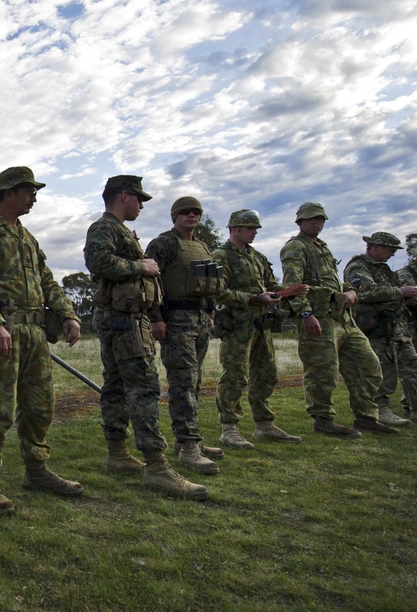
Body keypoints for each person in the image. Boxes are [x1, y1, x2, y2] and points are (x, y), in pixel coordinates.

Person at [0, 166, 83, 514]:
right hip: (4, 333)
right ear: (9, 193)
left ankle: (36, 471)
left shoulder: (28, 238)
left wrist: (68, 314)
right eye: (29, 190)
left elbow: (48, 282)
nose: (34, 197)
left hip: (35, 334)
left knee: (40, 406)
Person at [84, 175, 207, 500]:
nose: (141, 205)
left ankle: (118, 454)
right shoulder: (105, 227)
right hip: (124, 321)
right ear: (124, 196)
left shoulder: (121, 230)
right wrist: (141, 266)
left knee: (116, 387)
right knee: (145, 388)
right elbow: (96, 261)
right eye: (139, 199)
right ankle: (156, 467)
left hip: (124, 318)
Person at [280, 202, 396, 437]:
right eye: (310, 218)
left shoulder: (322, 247)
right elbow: (292, 286)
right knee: (323, 371)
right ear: (300, 221)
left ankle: (366, 417)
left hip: (343, 319)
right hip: (320, 318)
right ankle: (323, 419)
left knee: (369, 366)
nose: (316, 222)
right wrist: (306, 314)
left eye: (320, 219)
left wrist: (350, 290)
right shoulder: (295, 247)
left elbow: (333, 280)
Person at [145, 196, 225, 474]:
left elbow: (209, 282)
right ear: (175, 216)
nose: (191, 215)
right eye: (185, 212)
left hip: (201, 318)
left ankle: (187, 440)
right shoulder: (164, 244)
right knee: (182, 382)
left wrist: (211, 313)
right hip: (176, 319)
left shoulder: (202, 246)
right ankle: (189, 446)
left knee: (195, 382)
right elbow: (150, 281)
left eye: (196, 212)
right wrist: (156, 319)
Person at [212, 209, 302, 448]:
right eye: (250, 228)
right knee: (235, 376)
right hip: (237, 326)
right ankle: (229, 428)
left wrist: (288, 291)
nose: (254, 232)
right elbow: (218, 292)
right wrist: (255, 298)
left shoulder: (257, 257)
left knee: (267, 374)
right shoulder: (221, 256)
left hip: (262, 325)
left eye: (255, 229)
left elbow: (270, 283)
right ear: (234, 229)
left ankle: (264, 424)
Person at [342, 232, 417, 427]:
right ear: (375, 248)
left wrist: (403, 295)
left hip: (396, 328)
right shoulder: (358, 267)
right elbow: (365, 292)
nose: (392, 254)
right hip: (376, 328)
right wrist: (399, 292)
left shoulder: (383, 269)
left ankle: (413, 407)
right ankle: (380, 409)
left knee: (411, 365)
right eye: (390, 250)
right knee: (383, 370)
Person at [395, 235, 417, 418]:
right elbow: (409, 298)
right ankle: (409, 403)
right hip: (410, 326)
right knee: (411, 366)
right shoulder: (405, 274)